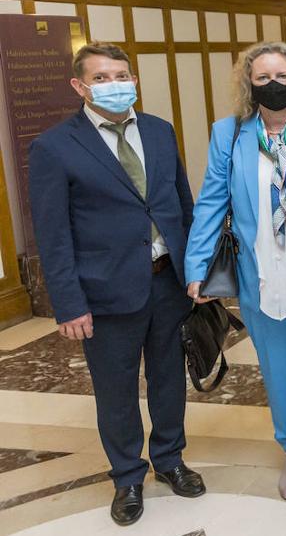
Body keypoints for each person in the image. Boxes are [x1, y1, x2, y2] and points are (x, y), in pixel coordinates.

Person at [29, 42, 205, 526]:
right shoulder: (54, 147)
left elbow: (180, 206)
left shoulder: (159, 131)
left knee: (170, 379)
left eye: (121, 74)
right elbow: (53, 234)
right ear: (79, 86)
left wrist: (196, 271)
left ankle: (170, 459)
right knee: (116, 389)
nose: (115, 84)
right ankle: (128, 475)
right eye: (102, 77)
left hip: (166, 282)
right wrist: (68, 304)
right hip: (104, 293)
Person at [185, 41, 286, 501]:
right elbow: (212, 202)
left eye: (282, 76)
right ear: (248, 85)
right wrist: (197, 267)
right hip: (260, 274)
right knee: (276, 371)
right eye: (263, 78)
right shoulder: (229, 134)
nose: (273, 85)